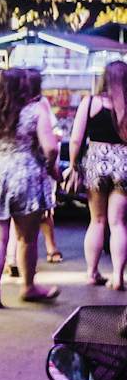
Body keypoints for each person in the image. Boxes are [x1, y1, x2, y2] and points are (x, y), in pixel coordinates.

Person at [0, 67, 60, 308]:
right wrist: (48, 167)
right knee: (27, 238)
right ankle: (28, 287)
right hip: (26, 172)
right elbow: (51, 147)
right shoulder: (36, 110)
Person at [68, 60, 127, 290]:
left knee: (97, 220)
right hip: (124, 164)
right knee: (119, 223)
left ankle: (92, 273)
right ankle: (118, 276)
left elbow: (75, 139)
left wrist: (74, 165)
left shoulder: (90, 102)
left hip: (96, 164)